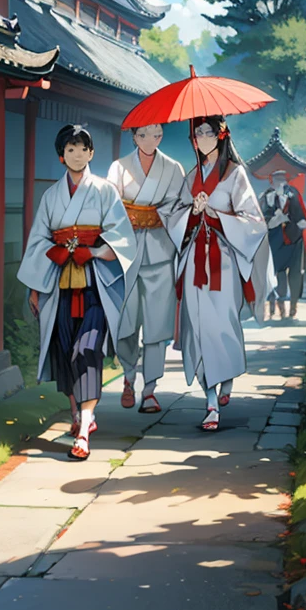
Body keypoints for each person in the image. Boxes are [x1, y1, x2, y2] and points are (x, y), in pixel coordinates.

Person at [18, 124, 135, 461]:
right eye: (70, 149)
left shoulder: (105, 191)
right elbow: (39, 241)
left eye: (83, 148)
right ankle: (78, 415)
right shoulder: (51, 196)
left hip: (94, 283)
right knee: (65, 350)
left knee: (87, 351)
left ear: (92, 153)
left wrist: (95, 252)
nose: (77, 154)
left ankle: (84, 429)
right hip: (59, 284)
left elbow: (122, 237)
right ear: (61, 155)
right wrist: (36, 289)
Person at [164, 116, 270, 432]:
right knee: (197, 328)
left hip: (223, 260)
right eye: (197, 134)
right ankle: (210, 402)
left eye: (208, 132)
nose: (202, 138)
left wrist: (218, 215)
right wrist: (193, 212)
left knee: (223, 324)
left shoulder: (235, 175)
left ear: (221, 136)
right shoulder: (190, 177)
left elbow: (254, 221)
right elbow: (175, 219)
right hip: (196, 259)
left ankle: (226, 380)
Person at [107, 124, 184, 413]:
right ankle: (128, 376)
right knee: (125, 320)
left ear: (161, 137)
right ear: (134, 137)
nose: (149, 140)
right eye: (142, 135)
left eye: (155, 135)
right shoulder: (118, 167)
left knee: (156, 323)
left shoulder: (173, 168)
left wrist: (155, 216)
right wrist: (127, 216)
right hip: (125, 252)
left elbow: (179, 207)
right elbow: (109, 205)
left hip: (160, 250)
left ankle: (150, 388)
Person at [259, 169, 306, 319]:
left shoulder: (293, 193)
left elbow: (302, 217)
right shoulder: (267, 195)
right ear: (272, 180)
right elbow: (262, 215)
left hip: (294, 239)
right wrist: (273, 220)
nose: (279, 182)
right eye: (277, 179)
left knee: (295, 274)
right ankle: (276, 307)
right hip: (275, 239)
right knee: (275, 272)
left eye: (282, 179)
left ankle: (293, 306)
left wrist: (288, 219)